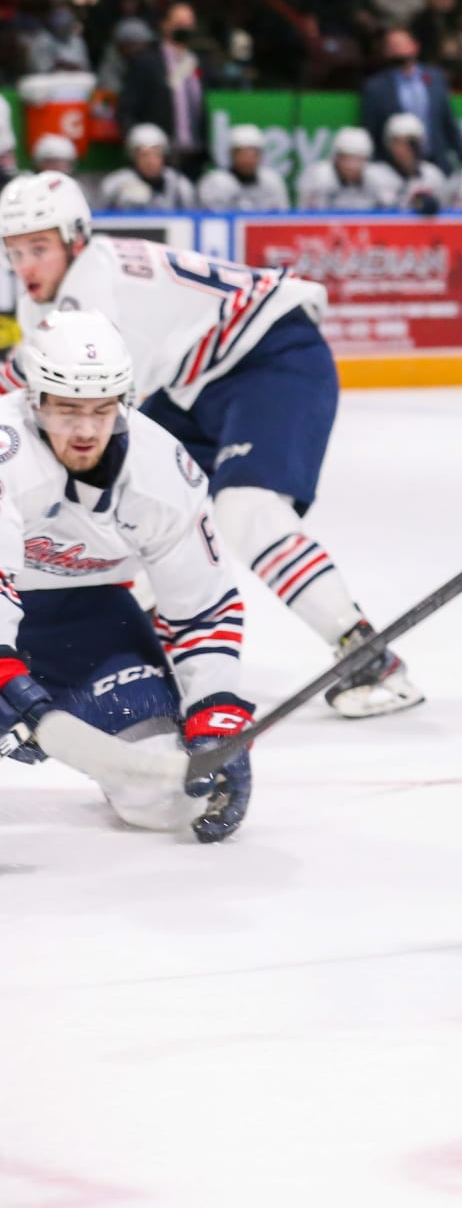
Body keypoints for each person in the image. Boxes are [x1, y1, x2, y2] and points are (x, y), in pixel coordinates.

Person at [0, 174, 423, 718]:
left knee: (245, 509)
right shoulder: (58, 295)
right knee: (126, 514)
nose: (25, 266)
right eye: (14, 252)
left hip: (270, 355)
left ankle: (367, 654)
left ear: (76, 239)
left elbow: (72, 395)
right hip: (193, 383)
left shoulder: (94, 282)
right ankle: (161, 651)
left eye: (39, 248)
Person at [0, 310, 254, 842]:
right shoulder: (7, 456)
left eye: (102, 409)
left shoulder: (164, 472)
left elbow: (205, 609)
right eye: (68, 409)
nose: (87, 430)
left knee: (165, 800)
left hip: (84, 620)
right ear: (36, 401)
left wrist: (215, 717)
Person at [118, 4, 208, 180]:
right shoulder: (146, 61)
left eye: (189, 24)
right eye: (179, 23)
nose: (184, 29)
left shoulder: (197, 62)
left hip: (194, 158)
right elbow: (126, 110)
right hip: (157, 158)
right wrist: (140, 148)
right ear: (165, 25)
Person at [361, 29, 462, 174]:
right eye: (391, 45)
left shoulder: (435, 78)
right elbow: (370, 130)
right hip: (393, 168)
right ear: (385, 52)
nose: (396, 48)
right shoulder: (375, 87)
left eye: (400, 43)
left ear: (415, 46)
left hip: (436, 161)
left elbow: (448, 121)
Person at [100, 124, 199, 211]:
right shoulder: (116, 184)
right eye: (144, 155)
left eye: (156, 153)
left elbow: (192, 219)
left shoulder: (179, 185)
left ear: (164, 156)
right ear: (133, 157)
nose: (150, 161)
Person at [297, 127, 396, 211]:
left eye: (357, 159)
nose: (350, 165)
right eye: (345, 158)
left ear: (366, 160)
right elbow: (307, 217)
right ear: (335, 158)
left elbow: (391, 214)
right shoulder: (318, 177)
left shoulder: (381, 178)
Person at [197, 124, 291, 212]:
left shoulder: (272, 180)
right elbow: (212, 220)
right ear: (232, 154)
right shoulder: (216, 182)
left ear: (261, 155)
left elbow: (282, 216)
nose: (248, 160)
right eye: (243, 154)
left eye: (253, 154)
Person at [369, 113, 447, 215]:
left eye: (413, 143)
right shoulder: (373, 175)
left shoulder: (432, 174)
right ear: (390, 144)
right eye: (402, 142)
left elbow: (445, 212)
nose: (408, 149)